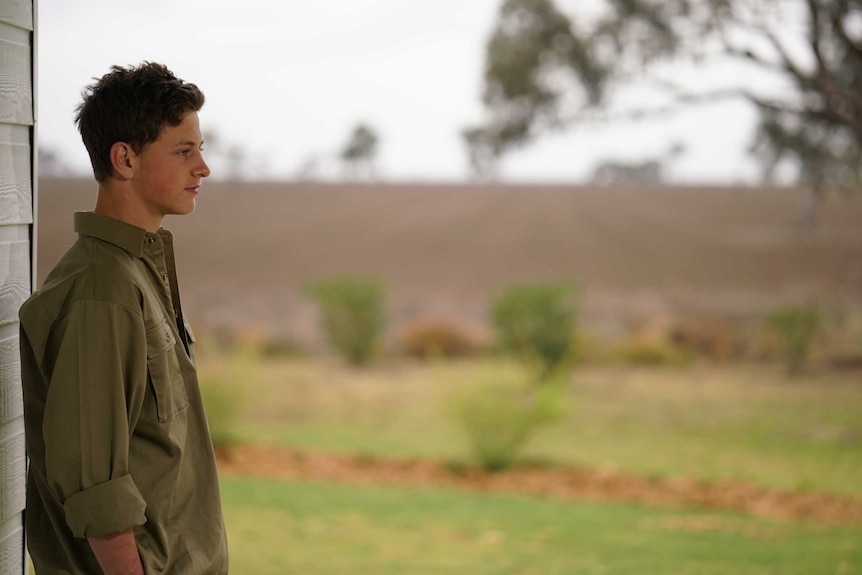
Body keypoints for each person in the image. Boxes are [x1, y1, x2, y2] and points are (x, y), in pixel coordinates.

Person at [19, 62, 229, 575]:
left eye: (200, 149)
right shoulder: (100, 292)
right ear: (125, 159)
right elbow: (96, 483)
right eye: (184, 151)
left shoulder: (135, 271)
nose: (202, 167)